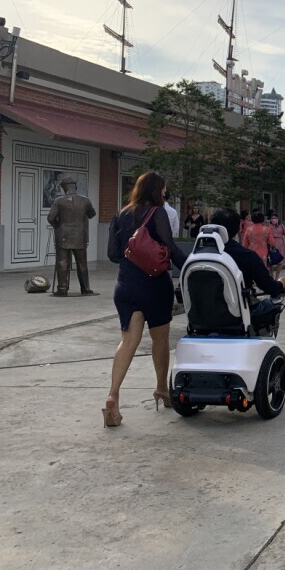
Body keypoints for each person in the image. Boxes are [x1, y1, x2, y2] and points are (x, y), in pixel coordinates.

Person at [103, 171, 186, 427]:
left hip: (125, 285)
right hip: (154, 285)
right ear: (156, 190)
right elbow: (170, 247)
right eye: (163, 189)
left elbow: (113, 254)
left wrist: (135, 260)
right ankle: (162, 389)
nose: (164, 193)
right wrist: (191, 265)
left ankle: (113, 395)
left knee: (127, 341)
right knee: (160, 340)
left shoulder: (121, 214)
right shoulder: (158, 213)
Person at [211, 208, 285, 328]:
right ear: (238, 227)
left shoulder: (196, 256)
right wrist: (281, 284)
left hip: (201, 317)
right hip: (236, 319)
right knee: (272, 303)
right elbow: (269, 287)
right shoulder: (246, 256)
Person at [46, 176, 97, 297]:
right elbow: (92, 214)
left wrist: (58, 226)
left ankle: (62, 289)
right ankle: (85, 288)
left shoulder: (59, 200)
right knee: (82, 263)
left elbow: (50, 218)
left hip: (63, 235)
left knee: (62, 262)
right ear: (75, 186)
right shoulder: (85, 200)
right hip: (79, 236)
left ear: (63, 188)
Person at [268, 212, 285, 279]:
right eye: (272, 218)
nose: (274, 219)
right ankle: (271, 276)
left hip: (280, 244)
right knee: (270, 261)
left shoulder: (281, 226)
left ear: (278, 219)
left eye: (275, 218)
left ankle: (277, 277)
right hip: (271, 244)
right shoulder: (268, 226)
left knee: (280, 262)